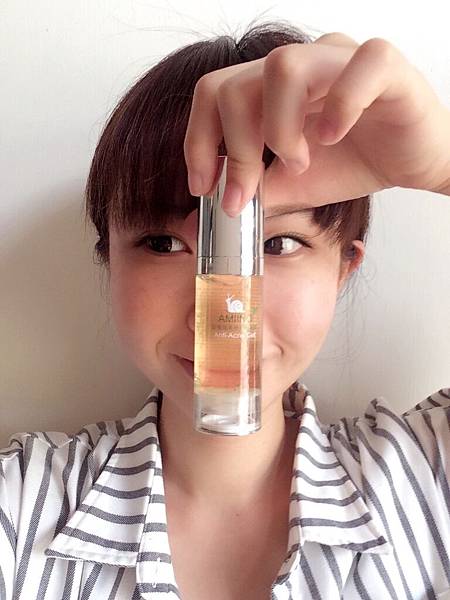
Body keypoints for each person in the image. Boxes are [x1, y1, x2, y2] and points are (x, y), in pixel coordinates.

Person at [1, 20, 449, 600]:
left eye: (277, 244)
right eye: (162, 244)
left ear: (344, 267)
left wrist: (443, 166)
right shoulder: (21, 504)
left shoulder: (428, 473)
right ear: (109, 260)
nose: (221, 314)